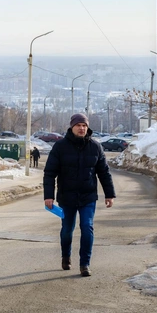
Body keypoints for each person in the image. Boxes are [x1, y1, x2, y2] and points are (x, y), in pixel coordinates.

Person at [43, 113, 116, 277]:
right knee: (67, 229)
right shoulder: (60, 147)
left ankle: (85, 264)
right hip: (66, 197)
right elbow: (49, 173)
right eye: (78, 125)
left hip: (88, 197)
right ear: (72, 127)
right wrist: (48, 196)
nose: (82, 128)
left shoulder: (95, 147)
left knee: (87, 227)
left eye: (84, 125)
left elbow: (104, 172)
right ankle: (66, 256)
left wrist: (109, 194)